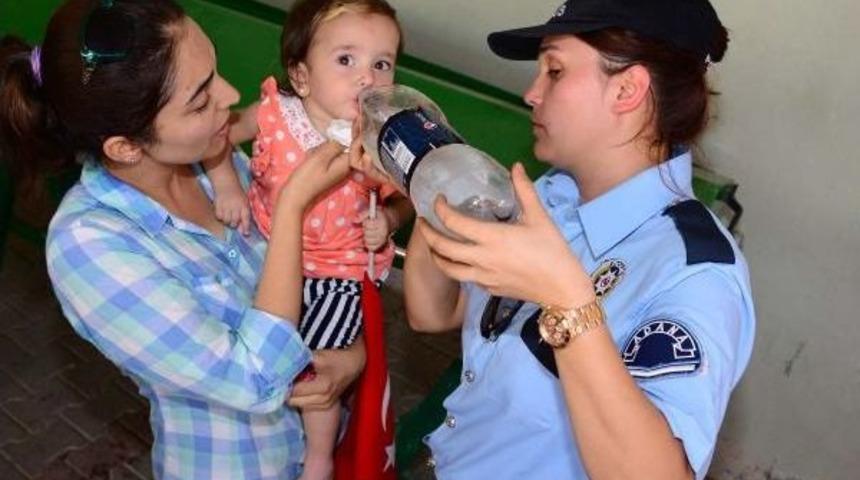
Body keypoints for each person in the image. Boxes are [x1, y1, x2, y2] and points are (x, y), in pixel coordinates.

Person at [0, 1, 366, 479]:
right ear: (126, 147)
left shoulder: (210, 160)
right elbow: (255, 378)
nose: (231, 95)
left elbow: (320, 277)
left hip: (326, 443)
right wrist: (294, 205)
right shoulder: (87, 248)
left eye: (214, 74)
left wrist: (351, 357)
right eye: (199, 100)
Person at [395, 0, 756, 478]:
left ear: (627, 89)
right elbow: (433, 312)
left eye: (555, 70)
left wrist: (568, 302)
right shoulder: (552, 195)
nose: (531, 92)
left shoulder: (695, 272)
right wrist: (432, 179)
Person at [202, 1, 413, 478]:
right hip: (266, 250)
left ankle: (318, 456)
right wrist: (227, 183)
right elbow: (220, 132)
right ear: (301, 76)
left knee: (318, 363)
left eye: (382, 63)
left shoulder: (379, 140)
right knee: (255, 342)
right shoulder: (277, 114)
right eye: (346, 60)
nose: (367, 78)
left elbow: (408, 197)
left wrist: (392, 221)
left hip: (338, 272)